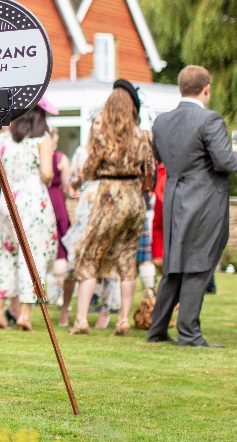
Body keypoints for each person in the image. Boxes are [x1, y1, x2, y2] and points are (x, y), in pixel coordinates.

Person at [147, 66, 237, 347]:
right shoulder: (209, 119)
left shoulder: (161, 121)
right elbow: (224, 162)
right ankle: (189, 333)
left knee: (174, 265)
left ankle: (158, 329)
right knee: (199, 263)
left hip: (174, 196)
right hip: (204, 198)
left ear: (180, 88)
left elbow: (158, 157)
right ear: (207, 88)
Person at [69, 80, 154, 337]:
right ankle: (123, 320)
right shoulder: (143, 136)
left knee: (89, 255)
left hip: (109, 198)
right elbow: (150, 173)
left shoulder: (103, 137)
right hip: (135, 199)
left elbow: (89, 171)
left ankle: (81, 319)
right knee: (127, 259)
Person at [0, 97, 58, 331]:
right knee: (33, 255)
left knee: (5, 254)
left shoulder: (3, 140)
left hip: (8, 201)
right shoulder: (42, 140)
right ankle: (24, 314)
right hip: (33, 201)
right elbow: (47, 173)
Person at [60, 109, 103, 326]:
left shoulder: (112, 150)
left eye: (102, 123)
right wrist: (73, 187)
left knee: (104, 259)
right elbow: (72, 183)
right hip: (85, 205)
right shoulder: (81, 152)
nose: (99, 126)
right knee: (74, 259)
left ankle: (104, 310)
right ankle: (66, 309)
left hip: (105, 205)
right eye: (96, 122)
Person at [46, 127, 72, 307]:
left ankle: (50, 292)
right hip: (56, 201)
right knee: (60, 249)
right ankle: (59, 294)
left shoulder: (36, 155)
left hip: (42, 200)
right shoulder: (60, 158)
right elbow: (67, 186)